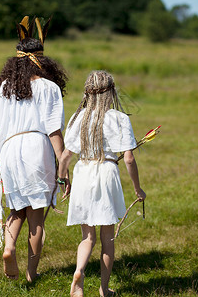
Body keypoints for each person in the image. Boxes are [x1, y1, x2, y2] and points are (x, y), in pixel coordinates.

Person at [0, 16, 68, 282]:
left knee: (16, 209)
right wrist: (63, 167)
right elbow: (53, 131)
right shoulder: (49, 87)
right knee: (36, 216)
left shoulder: (4, 87)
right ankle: (32, 273)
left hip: (6, 151)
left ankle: (9, 249)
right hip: (36, 147)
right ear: (42, 60)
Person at [58, 70, 146, 296]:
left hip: (83, 172)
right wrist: (137, 189)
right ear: (112, 91)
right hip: (106, 173)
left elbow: (66, 155)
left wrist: (62, 179)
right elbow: (128, 158)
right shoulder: (119, 118)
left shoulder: (79, 117)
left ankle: (79, 271)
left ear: (87, 92)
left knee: (87, 236)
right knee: (108, 238)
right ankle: (104, 289)